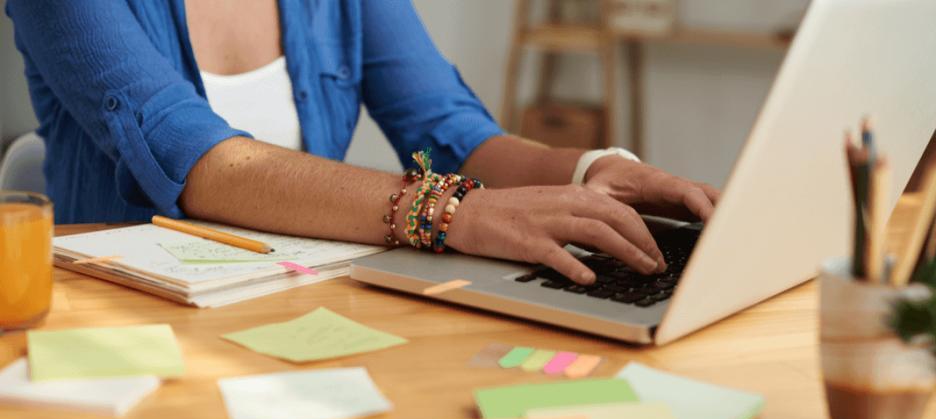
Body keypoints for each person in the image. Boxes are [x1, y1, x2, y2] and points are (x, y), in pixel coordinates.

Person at [7, 0, 719, 286]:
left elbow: (449, 131)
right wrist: (450, 212)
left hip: (295, 306)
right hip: (123, 328)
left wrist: (595, 169)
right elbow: (195, 159)